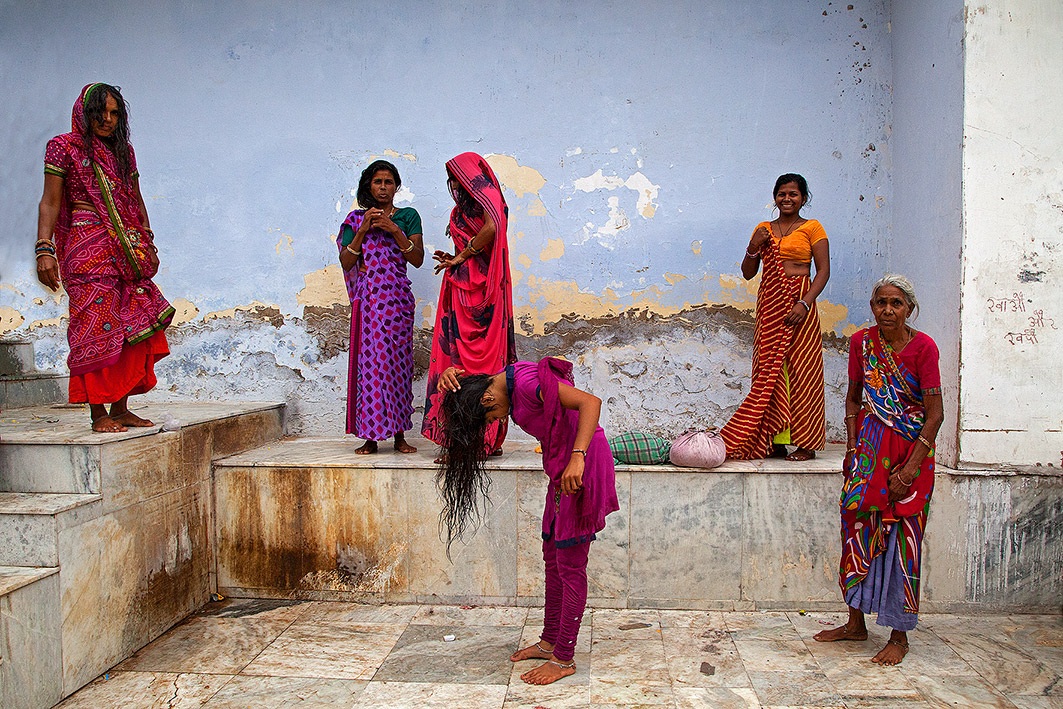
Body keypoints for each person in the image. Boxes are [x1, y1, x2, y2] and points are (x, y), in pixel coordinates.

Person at [436, 358, 619, 685]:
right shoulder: (500, 380)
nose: (497, 419)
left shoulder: (523, 384)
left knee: (570, 564)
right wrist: (447, 375)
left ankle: (563, 658)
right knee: (552, 556)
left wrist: (578, 458)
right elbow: (473, 372)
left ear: (488, 399)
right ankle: (549, 641)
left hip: (582, 463)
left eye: (490, 416)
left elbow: (590, 402)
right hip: (561, 466)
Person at [814, 274, 943, 666]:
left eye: (896, 303)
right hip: (868, 451)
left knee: (904, 539)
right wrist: (852, 449)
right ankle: (855, 622)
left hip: (910, 454)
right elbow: (853, 398)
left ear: (909, 308)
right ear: (873, 306)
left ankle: (899, 635)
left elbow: (935, 414)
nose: (888, 310)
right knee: (855, 528)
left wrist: (910, 468)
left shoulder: (924, 348)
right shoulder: (861, 343)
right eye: (881, 303)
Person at [36, 83, 173, 433]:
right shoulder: (63, 148)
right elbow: (50, 201)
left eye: (115, 113)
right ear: (85, 114)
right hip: (86, 247)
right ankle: (99, 414)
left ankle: (122, 407)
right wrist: (44, 247)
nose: (107, 120)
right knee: (94, 327)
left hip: (127, 249)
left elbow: (135, 199)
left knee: (134, 326)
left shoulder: (123, 152)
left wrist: (147, 238)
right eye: (100, 113)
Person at [721, 173, 829, 461]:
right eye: (782, 194)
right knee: (769, 372)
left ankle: (805, 442)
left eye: (793, 194)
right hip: (770, 304)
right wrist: (753, 245)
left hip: (800, 302)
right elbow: (747, 272)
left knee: (802, 370)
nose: (787, 199)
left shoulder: (813, 228)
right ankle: (773, 438)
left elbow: (824, 272)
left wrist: (805, 303)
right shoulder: (764, 228)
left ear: (803, 198)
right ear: (775, 197)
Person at [422, 152, 516, 454]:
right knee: (455, 361)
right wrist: (456, 259)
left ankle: (485, 439)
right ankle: (459, 439)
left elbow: (492, 227)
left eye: (459, 177)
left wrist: (462, 256)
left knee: (486, 365)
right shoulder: (462, 207)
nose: (454, 184)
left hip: (487, 295)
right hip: (460, 291)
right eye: (451, 179)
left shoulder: (489, 196)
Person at [337, 160, 425, 454]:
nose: (383, 187)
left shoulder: (408, 216)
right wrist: (363, 231)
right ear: (369, 186)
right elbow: (347, 262)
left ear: (396, 186)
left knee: (398, 364)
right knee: (371, 366)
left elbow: (417, 259)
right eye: (378, 182)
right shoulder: (354, 220)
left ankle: (400, 434)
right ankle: (371, 436)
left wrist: (392, 229)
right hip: (370, 302)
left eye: (389, 182)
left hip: (397, 301)